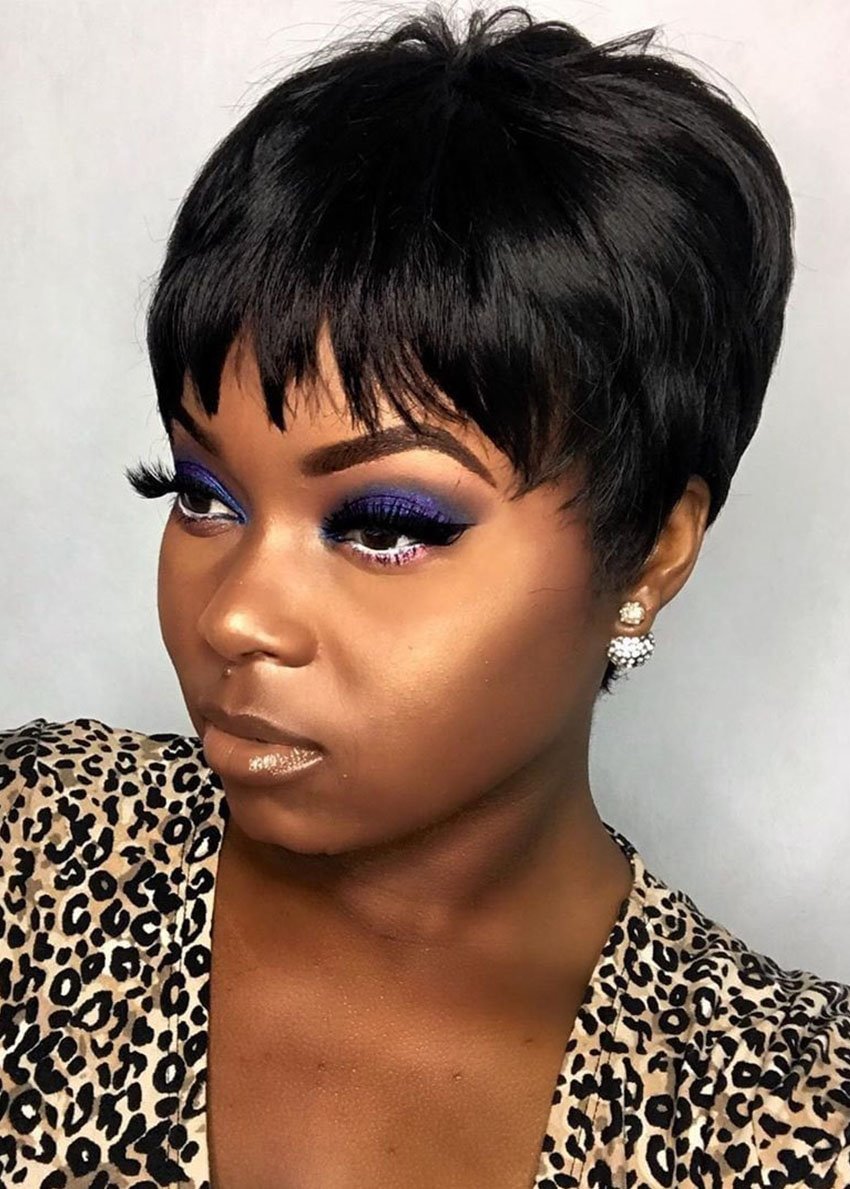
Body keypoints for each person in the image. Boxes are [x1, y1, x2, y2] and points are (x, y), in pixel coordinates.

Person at [1, 5, 848, 1187]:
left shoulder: (788, 1114)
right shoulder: (36, 850)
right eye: (201, 494)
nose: (235, 616)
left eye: (387, 526)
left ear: (651, 553)